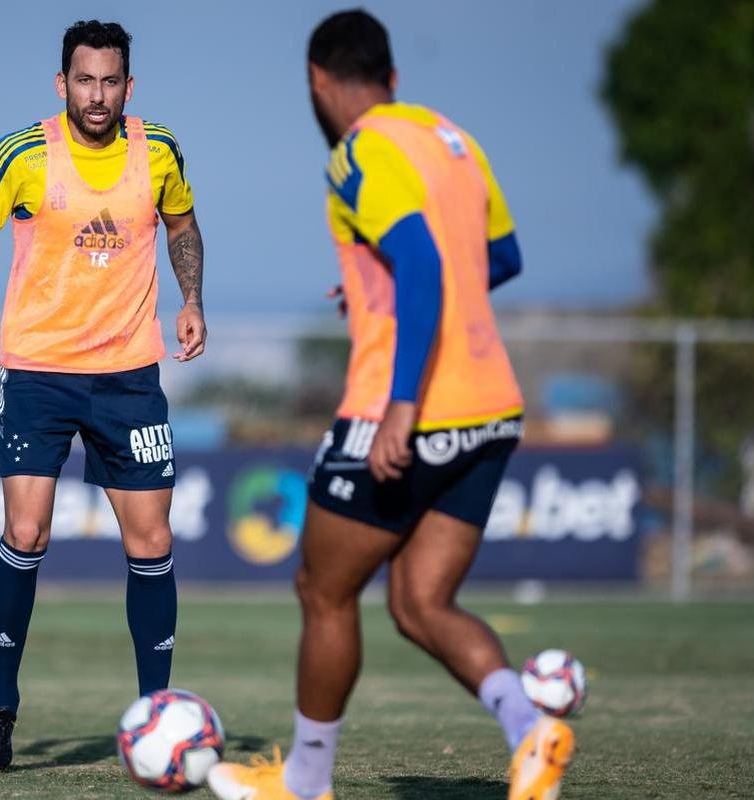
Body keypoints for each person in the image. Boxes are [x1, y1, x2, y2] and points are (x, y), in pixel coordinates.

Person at [208, 10, 573, 800]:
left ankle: (303, 782)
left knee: (322, 590)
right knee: (419, 601)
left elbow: (419, 258)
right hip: (492, 407)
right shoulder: (451, 138)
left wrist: (402, 406)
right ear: (393, 78)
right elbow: (499, 257)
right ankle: (530, 729)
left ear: (316, 80)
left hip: (409, 408)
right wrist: (382, 284)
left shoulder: (355, 154)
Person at [0, 19, 206, 771]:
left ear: (128, 86)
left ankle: (156, 714)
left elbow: (182, 225)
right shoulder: (20, 153)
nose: (97, 95)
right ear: (63, 85)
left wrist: (191, 298)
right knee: (26, 535)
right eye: (84, 81)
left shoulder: (159, 151)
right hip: (39, 375)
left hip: (129, 377)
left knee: (151, 542)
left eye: (110, 81)